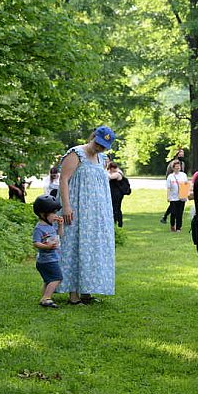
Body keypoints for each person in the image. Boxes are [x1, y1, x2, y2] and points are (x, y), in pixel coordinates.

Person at [58, 125, 116, 305]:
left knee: (92, 248)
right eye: (97, 144)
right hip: (77, 208)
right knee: (75, 246)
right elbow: (64, 180)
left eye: (103, 146)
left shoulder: (102, 158)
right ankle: (73, 294)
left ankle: (87, 291)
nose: (99, 148)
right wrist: (66, 206)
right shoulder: (76, 154)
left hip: (97, 212)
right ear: (93, 137)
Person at [32, 194, 64, 308]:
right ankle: (46, 298)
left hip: (52, 258)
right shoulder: (39, 228)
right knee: (57, 278)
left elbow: (59, 236)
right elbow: (35, 243)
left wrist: (60, 226)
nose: (56, 216)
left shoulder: (51, 226)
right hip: (47, 260)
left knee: (48, 280)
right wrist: (47, 247)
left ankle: (44, 297)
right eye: (53, 213)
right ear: (43, 214)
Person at [160, 148, 187, 224]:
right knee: (173, 204)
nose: (182, 155)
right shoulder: (172, 164)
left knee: (179, 206)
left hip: (182, 186)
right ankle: (166, 218)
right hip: (174, 185)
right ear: (177, 154)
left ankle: (177, 224)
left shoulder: (183, 164)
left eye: (183, 153)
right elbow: (168, 174)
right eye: (181, 153)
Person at [166, 160, 188, 232]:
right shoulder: (170, 176)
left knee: (180, 213)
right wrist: (168, 196)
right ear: (173, 168)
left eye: (179, 167)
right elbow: (168, 187)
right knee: (173, 213)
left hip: (181, 197)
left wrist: (185, 194)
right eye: (176, 167)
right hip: (173, 197)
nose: (178, 168)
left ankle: (178, 228)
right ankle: (172, 226)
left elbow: (186, 185)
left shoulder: (183, 175)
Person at [107, 162, 125, 228]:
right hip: (116, 194)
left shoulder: (117, 173)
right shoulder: (118, 172)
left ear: (112, 168)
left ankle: (118, 223)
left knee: (116, 209)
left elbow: (111, 177)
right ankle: (116, 222)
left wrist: (105, 172)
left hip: (117, 194)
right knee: (116, 209)